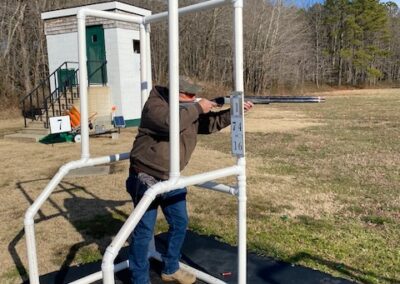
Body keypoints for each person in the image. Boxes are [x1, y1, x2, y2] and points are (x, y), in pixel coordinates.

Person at [126, 76, 253, 284]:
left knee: (180, 222)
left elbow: (210, 124)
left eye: (195, 95)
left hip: (171, 177)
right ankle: (139, 279)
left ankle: (170, 267)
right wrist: (198, 107)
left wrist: (234, 112)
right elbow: (169, 124)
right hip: (145, 176)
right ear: (174, 92)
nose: (194, 98)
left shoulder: (186, 110)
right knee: (144, 231)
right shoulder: (155, 106)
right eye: (189, 95)